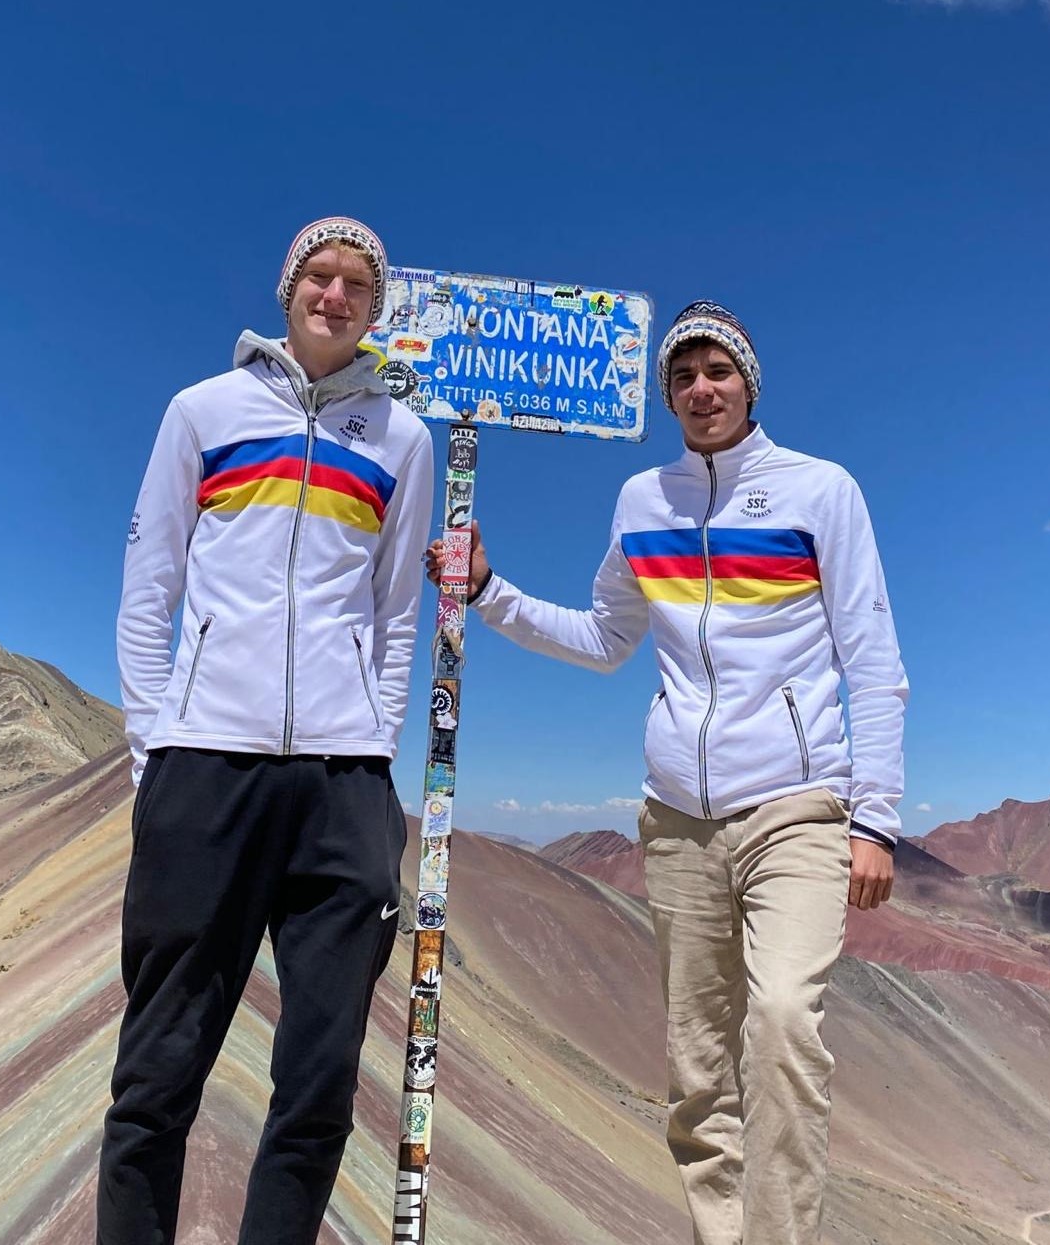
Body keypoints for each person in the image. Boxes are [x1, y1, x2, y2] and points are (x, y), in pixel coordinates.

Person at [426, 300, 907, 1244]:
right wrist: (489, 593)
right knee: (696, 1067)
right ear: (667, 396)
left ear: (748, 382)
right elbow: (606, 637)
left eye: (716, 370)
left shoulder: (821, 490)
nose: (699, 388)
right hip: (676, 822)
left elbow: (872, 657)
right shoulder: (645, 500)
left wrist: (875, 819)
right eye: (681, 376)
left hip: (796, 807)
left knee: (778, 1025)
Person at [100, 217, 433, 1245]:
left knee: (321, 1079)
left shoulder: (403, 439)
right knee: (158, 1069)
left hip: (343, 788)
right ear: (289, 287)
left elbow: (394, 618)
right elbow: (150, 583)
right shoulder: (202, 411)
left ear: (377, 309)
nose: (334, 297)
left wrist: (373, 751)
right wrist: (159, 747)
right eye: (319, 277)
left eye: (356, 286)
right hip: (205, 773)